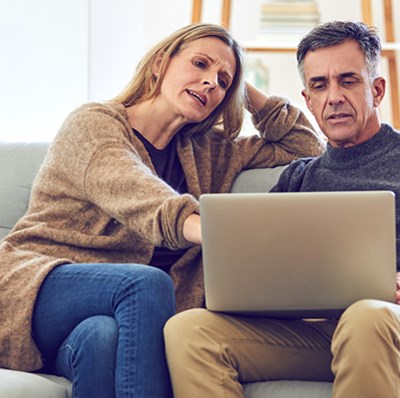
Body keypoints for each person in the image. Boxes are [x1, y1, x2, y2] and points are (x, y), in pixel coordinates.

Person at [0, 23, 323, 398]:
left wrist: (240, 91)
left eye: (221, 80)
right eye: (199, 64)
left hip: (111, 318)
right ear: (159, 64)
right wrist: (212, 230)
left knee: (104, 339)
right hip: (38, 287)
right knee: (146, 282)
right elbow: (137, 194)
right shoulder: (94, 124)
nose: (209, 83)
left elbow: (305, 146)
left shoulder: (209, 152)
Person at [164, 21, 400, 398]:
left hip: (385, 325)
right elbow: (258, 260)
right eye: (320, 85)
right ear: (308, 100)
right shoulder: (299, 178)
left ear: (377, 89)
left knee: (366, 316)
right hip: (315, 333)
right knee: (189, 330)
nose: (334, 96)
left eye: (348, 81)